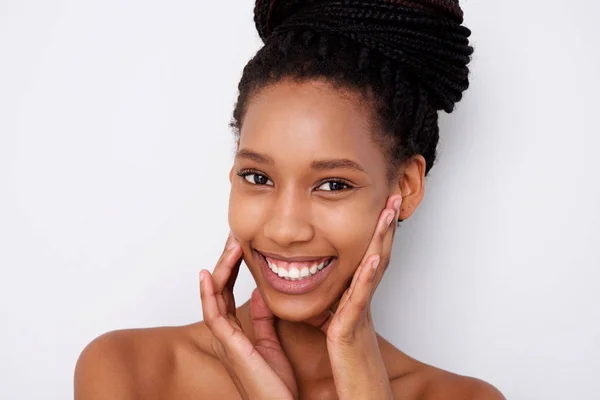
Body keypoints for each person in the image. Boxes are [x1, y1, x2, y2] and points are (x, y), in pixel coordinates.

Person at [75, 0, 505, 398]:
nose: (284, 229)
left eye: (333, 184)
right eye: (258, 177)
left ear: (406, 187)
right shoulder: (130, 372)